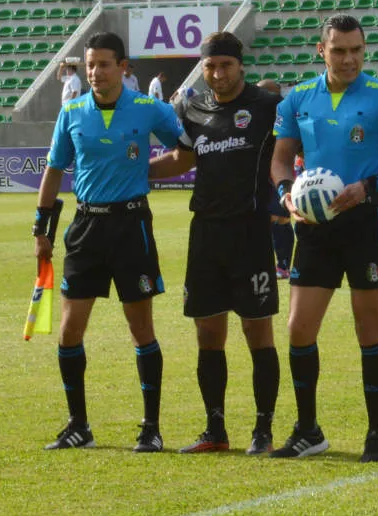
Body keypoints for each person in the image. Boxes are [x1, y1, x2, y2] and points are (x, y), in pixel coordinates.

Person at [270, 14, 378, 462]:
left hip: (365, 222)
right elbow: (279, 161)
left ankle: (376, 433)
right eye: (339, 50)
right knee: (298, 329)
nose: (349, 58)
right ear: (322, 50)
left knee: (369, 329)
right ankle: (308, 430)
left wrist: (369, 186)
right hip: (314, 228)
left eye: (356, 50)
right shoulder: (297, 100)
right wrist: (285, 196)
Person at [34, 32, 185, 452]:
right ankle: (78, 426)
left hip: (131, 226)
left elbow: (186, 154)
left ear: (123, 67)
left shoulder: (148, 109)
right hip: (85, 228)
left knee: (141, 330)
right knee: (69, 331)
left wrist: (145, 173)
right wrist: (41, 230)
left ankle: (151, 429)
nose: (95, 72)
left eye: (103, 64)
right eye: (89, 65)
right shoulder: (72, 112)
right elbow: (53, 171)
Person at [148, 32, 283, 455]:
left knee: (256, 330)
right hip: (205, 232)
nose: (218, 74)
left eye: (225, 66)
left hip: (250, 231)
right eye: (210, 67)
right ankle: (216, 430)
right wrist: (133, 170)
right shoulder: (195, 107)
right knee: (208, 332)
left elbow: (291, 151)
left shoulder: (268, 108)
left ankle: (263, 430)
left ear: (240, 66)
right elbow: (181, 160)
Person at [257, 78, 293, 279]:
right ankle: (277, 265)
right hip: (262, 175)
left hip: (278, 174)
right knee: (274, 219)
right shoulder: (256, 114)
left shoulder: (282, 114)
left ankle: (283, 265)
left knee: (280, 219)